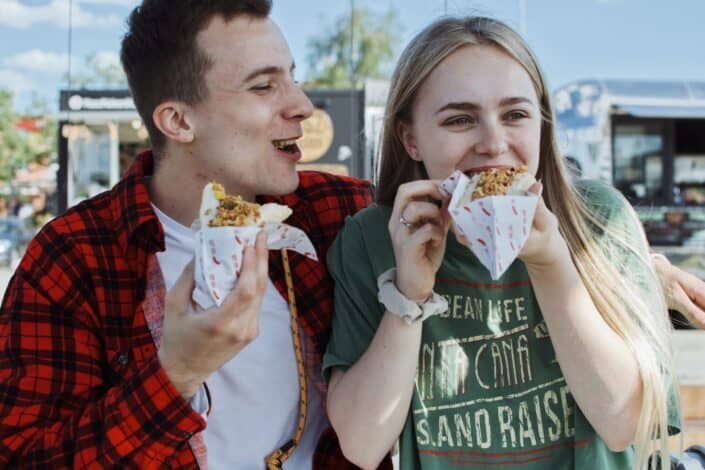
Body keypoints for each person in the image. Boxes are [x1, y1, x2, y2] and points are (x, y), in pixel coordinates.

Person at [0, 1, 390, 468]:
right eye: (265, 86)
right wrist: (175, 374)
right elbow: (24, 458)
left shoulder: (342, 215)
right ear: (178, 122)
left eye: (293, 78)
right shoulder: (73, 256)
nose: (303, 106)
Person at [323, 16, 681, 470]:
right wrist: (409, 296)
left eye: (515, 115)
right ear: (411, 139)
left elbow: (624, 425)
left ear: (542, 126)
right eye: (460, 119)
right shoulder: (373, 238)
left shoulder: (597, 217)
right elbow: (362, 443)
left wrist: (552, 265)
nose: (493, 144)